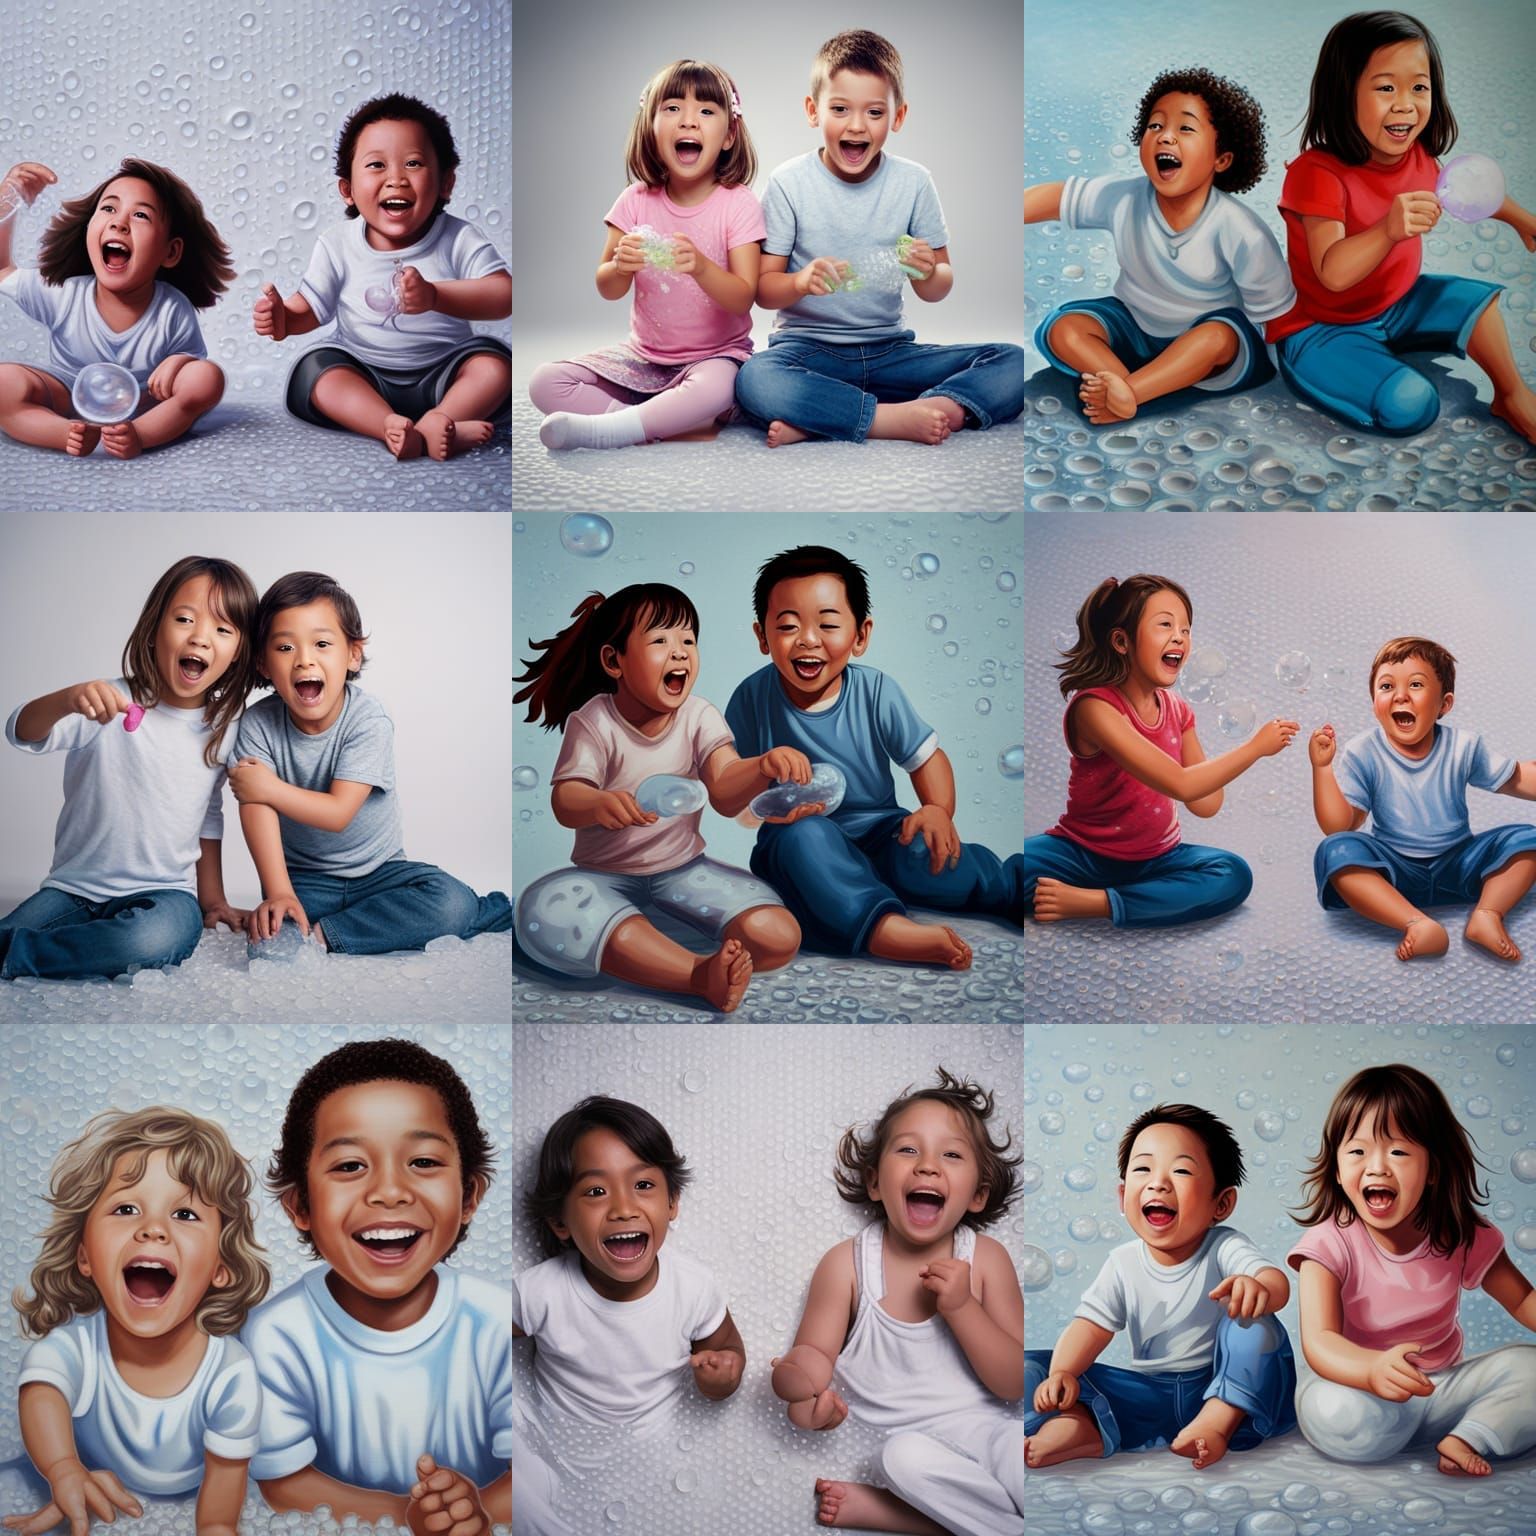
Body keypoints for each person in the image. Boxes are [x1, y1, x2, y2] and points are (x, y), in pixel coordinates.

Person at [243, 1039, 509, 1529]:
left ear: (469, 1194)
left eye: (424, 1162)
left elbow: (531, 1468)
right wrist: (405, 1518)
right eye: (349, 1166)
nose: (389, 1192)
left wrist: (478, 1512)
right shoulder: (277, 1335)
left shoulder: (496, 1321)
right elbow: (285, 1482)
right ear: (300, 1205)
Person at [726, 545, 1024, 969]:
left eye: (827, 624)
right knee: (807, 845)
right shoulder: (752, 698)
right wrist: (763, 797)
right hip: (799, 838)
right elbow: (730, 790)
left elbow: (926, 758)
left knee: (927, 851)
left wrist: (938, 809)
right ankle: (883, 929)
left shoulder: (875, 692)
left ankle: (1015, 887)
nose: (808, 639)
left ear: (860, 635)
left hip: (881, 832)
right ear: (763, 636)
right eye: (788, 626)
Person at [513, 582, 804, 1012]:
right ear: (614, 661)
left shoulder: (698, 716)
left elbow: (723, 791)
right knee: (546, 908)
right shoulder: (594, 722)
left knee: (779, 936)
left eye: (688, 640)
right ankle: (694, 974)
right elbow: (565, 800)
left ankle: (645, 941)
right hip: (602, 875)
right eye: (660, 640)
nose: (681, 651)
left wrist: (761, 766)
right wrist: (596, 803)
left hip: (684, 872)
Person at [735, 29, 1023, 446]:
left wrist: (927, 271)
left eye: (874, 112)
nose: (856, 125)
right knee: (755, 380)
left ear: (898, 116)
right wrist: (800, 282)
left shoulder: (914, 182)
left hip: (890, 352)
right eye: (840, 109)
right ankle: (886, 419)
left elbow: (938, 286)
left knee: (1011, 360)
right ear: (813, 110)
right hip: (809, 352)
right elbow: (764, 290)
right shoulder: (788, 183)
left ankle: (918, 411)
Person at [774, 1069, 1023, 1536]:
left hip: (985, 1433)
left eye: (951, 1154)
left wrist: (963, 1307)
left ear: (977, 1195)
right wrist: (803, 1390)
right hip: (909, 1452)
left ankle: (913, 1521)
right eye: (908, 1149)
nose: (928, 1165)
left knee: (1024, 1454)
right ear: (873, 1182)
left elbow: (1014, 1382)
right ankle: (933, 1513)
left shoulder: (986, 1260)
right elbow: (814, 1355)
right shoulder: (846, 1264)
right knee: (901, 1459)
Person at [1270, 11, 1536, 442]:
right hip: (1322, 327)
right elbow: (1332, 274)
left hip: (1398, 303)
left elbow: (1471, 193)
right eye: (1385, 87)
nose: (1405, 104)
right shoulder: (1316, 173)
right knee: (1411, 404)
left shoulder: (1418, 156)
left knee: (1479, 302)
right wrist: (1386, 231)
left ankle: (1512, 394)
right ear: (1344, 93)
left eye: (1419, 87)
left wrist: (1524, 221)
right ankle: (1349, 371)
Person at [7, 1108, 269, 1536]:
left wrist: (217, 1528)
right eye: (126, 1208)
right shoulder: (76, 1349)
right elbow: (42, 1395)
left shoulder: (230, 1373)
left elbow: (219, 1513)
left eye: (184, 1215)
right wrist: (64, 1469)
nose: (153, 1230)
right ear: (85, 1255)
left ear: (221, 1267)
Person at [228, 570, 513, 958]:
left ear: (353, 654)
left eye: (322, 644)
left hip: (380, 875)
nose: (304, 660)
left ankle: (329, 934)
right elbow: (255, 805)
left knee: (451, 903)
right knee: (275, 929)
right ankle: (335, 924)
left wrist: (270, 788)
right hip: (306, 882)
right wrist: (279, 892)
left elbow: (339, 812)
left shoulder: (367, 720)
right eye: (285, 648)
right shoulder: (258, 724)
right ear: (262, 662)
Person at [2, 556, 256, 979]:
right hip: (74, 889)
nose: (201, 638)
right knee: (14, 927)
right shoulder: (103, 701)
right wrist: (67, 698)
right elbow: (21, 732)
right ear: (154, 629)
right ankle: (29, 947)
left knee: (153, 940)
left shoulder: (222, 728)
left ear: (236, 653)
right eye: (185, 619)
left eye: (222, 629)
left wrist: (212, 901)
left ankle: (16, 955)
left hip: (165, 894)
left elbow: (208, 817)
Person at [1288, 1062, 1536, 1475]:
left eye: (1398, 1151)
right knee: (1331, 1409)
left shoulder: (1460, 1234)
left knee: (1532, 1370)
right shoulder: (1328, 1243)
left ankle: (1468, 1436)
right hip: (1362, 1391)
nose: (1377, 1167)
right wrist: (1369, 1370)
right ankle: (1434, 1429)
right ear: (1336, 1167)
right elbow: (1320, 1341)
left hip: (1441, 1390)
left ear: (1434, 1168)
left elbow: (1524, 1298)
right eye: (1357, 1151)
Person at [512, 1096, 743, 1536]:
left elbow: (725, 1346)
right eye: (596, 1191)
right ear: (560, 1221)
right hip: (552, 1450)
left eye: (643, 1186)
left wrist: (723, 1376)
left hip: (650, 1453)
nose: (623, 1207)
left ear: (672, 1202)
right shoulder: (540, 1292)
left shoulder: (692, 1287)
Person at [1027, 1102, 1296, 1471]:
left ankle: (1217, 1422)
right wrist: (1062, 1374)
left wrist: (1259, 1287)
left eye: (1182, 1170)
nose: (1158, 1182)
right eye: (1143, 1169)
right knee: (1030, 1366)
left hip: (1217, 1385)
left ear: (1222, 1203)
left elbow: (1275, 1282)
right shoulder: (1123, 1262)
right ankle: (1083, 1426)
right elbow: (1091, 1327)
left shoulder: (1224, 1247)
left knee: (1253, 1323)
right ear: (1123, 1197)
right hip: (1147, 1393)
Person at [1025, 573, 1296, 927]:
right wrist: (1254, 749)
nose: (1179, 638)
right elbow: (1181, 784)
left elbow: (1205, 804)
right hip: (1081, 854)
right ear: (1122, 642)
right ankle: (1142, 898)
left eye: (1186, 629)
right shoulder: (1094, 708)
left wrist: (1218, 749)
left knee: (1233, 874)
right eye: (1165, 625)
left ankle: (1099, 902)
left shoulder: (1179, 710)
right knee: (1013, 868)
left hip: (1158, 859)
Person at [1025, 66, 1294, 423]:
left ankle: (1131, 393)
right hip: (1135, 329)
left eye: (1185, 128)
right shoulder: (1124, 197)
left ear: (1222, 159)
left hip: (1206, 349)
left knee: (1217, 336)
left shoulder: (1239, 228)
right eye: (1156, 126)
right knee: (1065, 327)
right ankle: (1121, 386)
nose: (1166, 137)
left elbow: (1275, 317)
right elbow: (1055, 198)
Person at [254, 92, 511, 460]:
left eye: (413, 163)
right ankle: (389, 427)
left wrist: (436, 296)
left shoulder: (458, 237)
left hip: (445, 370)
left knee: (493, 368)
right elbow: (311, 308)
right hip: (364, 371)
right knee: (319, 374)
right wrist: (282, 319)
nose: (396, 179)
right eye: (376, 165)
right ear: (348, 191)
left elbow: (503, 295)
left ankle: (441, 420)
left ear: (446, 183)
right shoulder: (337, 243)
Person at [529, 58, 765, 451]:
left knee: (718, 388)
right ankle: (662, 421)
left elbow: (744, 295)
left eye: (706, 111)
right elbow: (607, 286)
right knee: (544, 382)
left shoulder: (738, 204)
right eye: (672, 109)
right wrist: (620, 266)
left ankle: (618, 428)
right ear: (650, 129)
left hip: (714, 359)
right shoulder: (635, 200)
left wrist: (702, 268)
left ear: (728, 135)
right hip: (644, 359)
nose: (688, 122)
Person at [1309, 634, 1536, 960]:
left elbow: (1517, 779)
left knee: (1527, 839)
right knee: (1336, 850)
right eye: (1386, 687)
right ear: (1374, 702)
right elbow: (1340, 824)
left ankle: (1487, 914)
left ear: (1444, 704)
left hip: (1461, 864)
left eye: (1415, 685)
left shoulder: (1463, 746)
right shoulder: (1363, 752)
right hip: (1395, 872)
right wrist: (1322, 769)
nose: (1400, 696)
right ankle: (1416, 923)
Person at [0, 158, 231, 455]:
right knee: (4, 382)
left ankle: (142, 435)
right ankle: (64, 433)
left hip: (148, 401)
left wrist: (179, 361)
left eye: (140, 215)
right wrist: (8, 198)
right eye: (108, 208)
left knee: (207, 378)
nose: (118, 222)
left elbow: (194, 363)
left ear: (170, 252)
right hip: (69, 392)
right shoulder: (63, 294)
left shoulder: (172, 308)